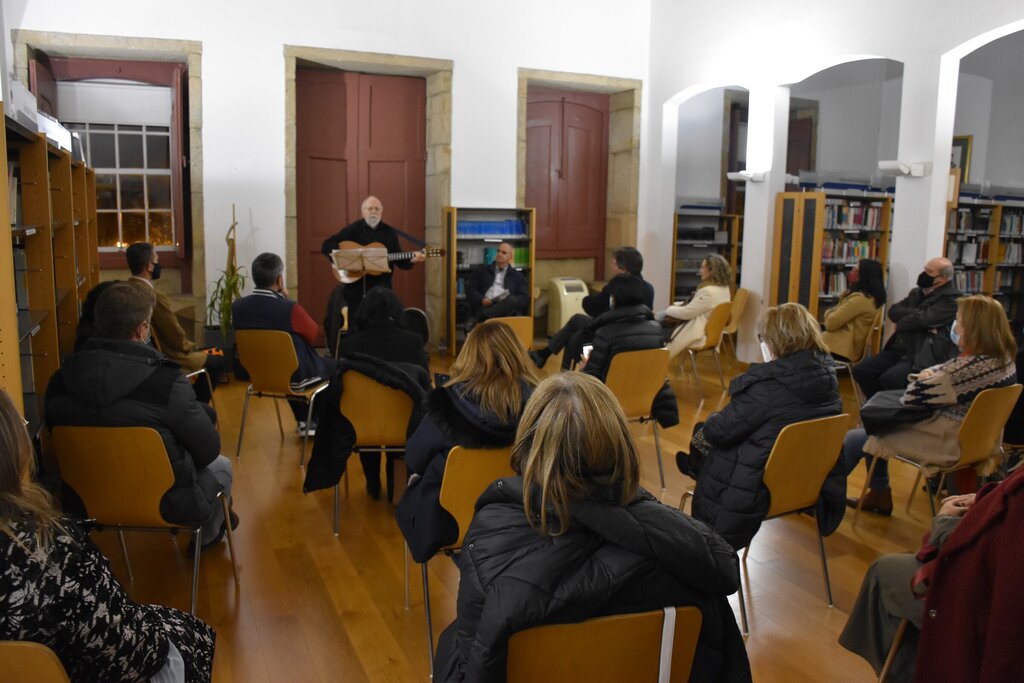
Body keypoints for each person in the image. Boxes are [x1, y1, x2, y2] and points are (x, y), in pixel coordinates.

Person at [432, 372, 751, 682]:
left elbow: (475, 657)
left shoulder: (488, 539)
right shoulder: (690, 558)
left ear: (531, 445)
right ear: (621, 444)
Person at [0, 388, 216, 682]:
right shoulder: (51, 550)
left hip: (89, 498)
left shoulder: (61, 388)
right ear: (11, 450)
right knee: (184, 637)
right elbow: (134, 653)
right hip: (165, 503)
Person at [45, 282, 237, 554]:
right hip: (166, 502)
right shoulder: (166, 382)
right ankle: (208, 536)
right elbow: (208, 451)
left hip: (85, 500)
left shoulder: (59, 381)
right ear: (142, 329)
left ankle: (221, 518)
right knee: (222, 467)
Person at [677, 302, 843, 551]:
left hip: (759, 486)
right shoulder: (829, 380)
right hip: (803, 481)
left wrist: (714, 418)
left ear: (774, 341)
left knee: (705, 430)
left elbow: (719, 431)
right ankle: (694, 463)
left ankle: (694, 465)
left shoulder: (766, 387)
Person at [839, 464, 1024, 682]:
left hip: (985, 609)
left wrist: (944, 522)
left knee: (882, 571)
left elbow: (975, 554)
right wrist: (988, 498)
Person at [843, 295, 1017, 516]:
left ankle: (824, 499)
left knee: (860, 434)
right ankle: (879, 494)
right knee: (874, 425)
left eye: (958, 321)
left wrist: (926, 376)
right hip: (979, 440)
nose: (955, 327)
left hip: (947, 440)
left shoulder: (962, 371)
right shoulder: (1005, 362)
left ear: (974, 328)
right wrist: (931, 374)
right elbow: (945, 371)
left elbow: (912, 397)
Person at [396, 321, 541, 563]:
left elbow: (414, 457)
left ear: (469, 356)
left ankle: (473, 569)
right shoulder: (542, 405)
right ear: (518, 354)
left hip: (451, 523)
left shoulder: (445, 406)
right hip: (525, 518)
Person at [338, 287, 429, 500]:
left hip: (360, 425)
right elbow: (422, 385)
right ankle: (396, 488)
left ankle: (372, 483)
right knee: (405, 407)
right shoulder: (413, 342)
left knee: (367, 412)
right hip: (404, 425)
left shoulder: (349, 344)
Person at [232, 252, 337, 436]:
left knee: (287, 362)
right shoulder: (289, 308)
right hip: (294, 377)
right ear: (279, 280)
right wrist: (284, 300)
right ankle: (313, 420)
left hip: (258, 375)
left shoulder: (237, 307)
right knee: (335, 367)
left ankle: (304, 420)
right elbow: (313, 334)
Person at [126, 242, 225, 404]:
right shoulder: (154, 296)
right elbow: (175, 336)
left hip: (141, 357)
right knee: (217, 362)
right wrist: (191, 347)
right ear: (149, 266)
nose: (159, 265)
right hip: (168, 355)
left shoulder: (126, 289)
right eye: (157, 260)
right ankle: (195, 406)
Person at [852, 257, 960, 400]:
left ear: (943, 278)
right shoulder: (917, 292)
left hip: (921, 352)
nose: (924, 274)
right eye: (924, 269)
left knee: (891, 378)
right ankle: (880, 406)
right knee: (862, 370)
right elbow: (893, 311)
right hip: (899, 347)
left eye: (929, 272)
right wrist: (919, 318)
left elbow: (925, 319)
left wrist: (904, 323)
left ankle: (891, 408)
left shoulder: (952, 299)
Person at [530, 246, 653, 368]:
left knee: (576, 323)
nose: (611, 266)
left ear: (624, 269)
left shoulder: (616, 287)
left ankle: (547, 356)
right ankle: (546, 356)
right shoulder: (649, 288)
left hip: (611, 331)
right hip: (638, 333)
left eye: (613, 263)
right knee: (574, 333)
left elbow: (595, 308)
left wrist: (586, 299)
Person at [320, 195, 426, 329]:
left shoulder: (389, 233)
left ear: (381, 212)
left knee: (380, 331)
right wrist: (345, 258)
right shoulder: (353, 229)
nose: (373, 212)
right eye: (370, 208)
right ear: (363, 211)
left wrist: (413, 259)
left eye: (377, 209)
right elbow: (327, 245)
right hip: (356, 293)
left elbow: (401, 261)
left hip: (382, 292)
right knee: (356, 330)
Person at [572, 273, 665, 380]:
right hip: (649, 389)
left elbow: (593, 377)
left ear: (614, 299)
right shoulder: (657, 331)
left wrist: (584, 369)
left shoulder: (605, 334)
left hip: (611, 390)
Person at [664, 253, 732, 358]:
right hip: (713, 334)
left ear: (712, 271)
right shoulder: (724, 289)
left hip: (699, 334)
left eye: (702, 267)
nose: (700, 271)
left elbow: (687, 313)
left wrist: (668, 309)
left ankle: (655, 362)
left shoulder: (708, 292)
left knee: (658, 326)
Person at [820, 258, 887, 362]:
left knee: (800, 346)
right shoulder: (871, 298)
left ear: (864, 276)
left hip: (839, 348)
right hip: (842, 346)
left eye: (855, 270)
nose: (850, 272)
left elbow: (830, 323)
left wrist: (828, 312)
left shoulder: (860, 300)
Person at [465, 241, 529, 325]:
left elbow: (523, 298)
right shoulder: (482, 270)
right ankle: (483, 316)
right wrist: (481, 300)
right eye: (498, 251)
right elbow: (471, 289)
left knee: (511, 300)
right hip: (485, 304)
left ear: (510, 257)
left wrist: (508, 299)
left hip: (505, 307)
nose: (500, 254)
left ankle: (479, 318)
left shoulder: (517, 276)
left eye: (504, 253)